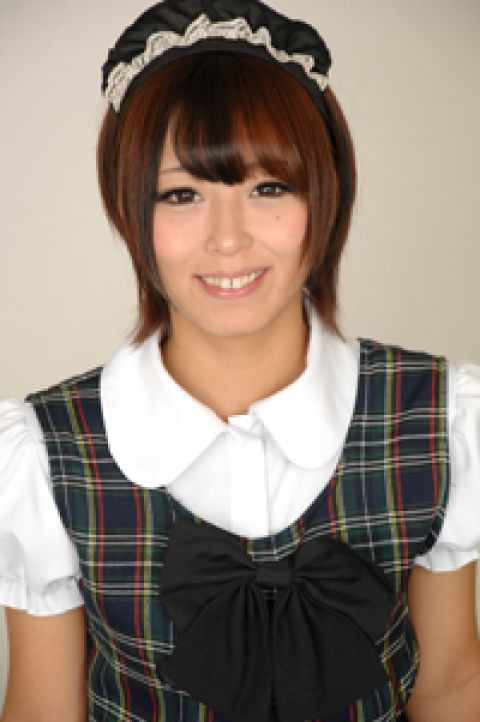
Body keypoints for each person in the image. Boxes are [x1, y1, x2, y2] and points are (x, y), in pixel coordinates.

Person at [1, 1, 479, 721]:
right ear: (131, 212)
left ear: (326, 196)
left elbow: (450, 685)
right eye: (182, 194)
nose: (227, 239)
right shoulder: (47, 454)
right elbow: (43, 709)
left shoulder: (438, 417)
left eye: (268, 188)